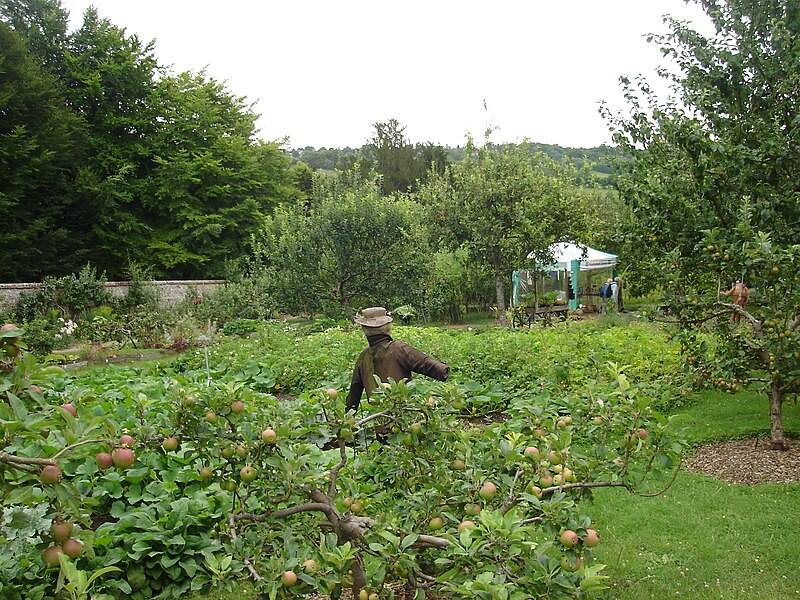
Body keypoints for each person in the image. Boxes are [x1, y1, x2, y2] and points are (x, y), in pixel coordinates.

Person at [345, 307, 450, 412]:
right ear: (387, 327)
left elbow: (354, 394)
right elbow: (423, 362)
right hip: (404, 416)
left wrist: (347, 418)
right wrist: (442, 370)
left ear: (365, 330)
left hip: (378, 419)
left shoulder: (363, 357)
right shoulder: (397, 348)